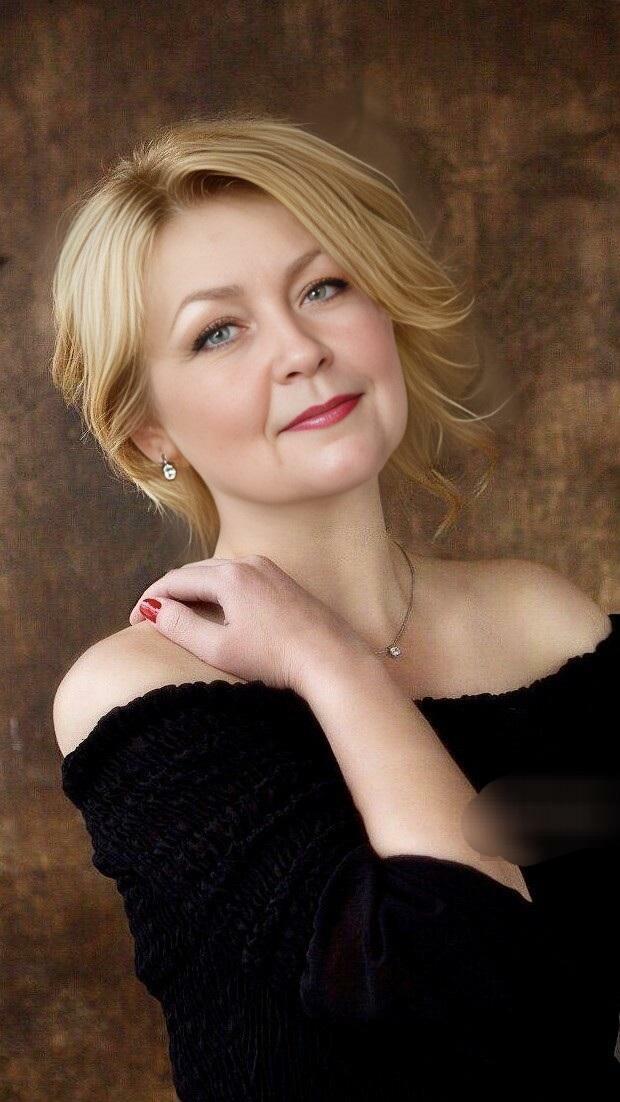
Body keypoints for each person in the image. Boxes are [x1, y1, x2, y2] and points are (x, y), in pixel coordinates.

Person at [50, 112, 619, 1100]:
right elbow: (463, 994)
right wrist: (333, 663)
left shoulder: (549, 622)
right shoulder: (137, 693)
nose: (302, 350)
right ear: (148, 431)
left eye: (323, 287)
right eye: (218, 331)